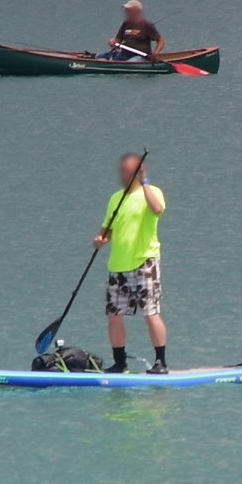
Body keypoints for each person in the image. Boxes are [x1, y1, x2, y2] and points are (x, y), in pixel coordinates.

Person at [93, 152, 169, 373]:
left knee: (150, 312)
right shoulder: (116, 199)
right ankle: (119, 363)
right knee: (114, 316)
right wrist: (100, 240)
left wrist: (144, 182)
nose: (123, 176)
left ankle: (161, 362)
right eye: (122, 171)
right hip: (118, 266)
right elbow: (107, 231)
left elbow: (157, 210)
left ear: (139, 171)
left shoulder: (152, 192)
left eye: (128, 172)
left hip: (145, 262)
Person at [97, 0, 166, 61]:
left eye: (128, 10)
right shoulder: (126, 23)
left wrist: (156, 52)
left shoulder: (147, 25)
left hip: (140, 56)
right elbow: (118, 39)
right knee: (99, 55)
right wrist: (112, 42)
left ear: (136, 11)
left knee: (131, 62)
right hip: (124, 55)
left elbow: (161, 40)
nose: (126, 12)